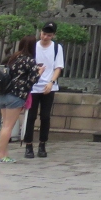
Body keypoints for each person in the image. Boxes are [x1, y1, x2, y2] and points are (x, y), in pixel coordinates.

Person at [0, 35, 42, 164]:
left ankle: (4, 154)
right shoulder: (29, 60)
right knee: (8, 127)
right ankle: (0, 155)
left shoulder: (13, 58)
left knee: (5, 125)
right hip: (16, 95)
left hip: (3, 94)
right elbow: (33, 80)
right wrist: (40, 72)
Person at [24, 22, 65, 159]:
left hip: (49, 86)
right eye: (43, 34)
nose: (45, 37)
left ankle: (42, 144)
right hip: (33, 87)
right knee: (31, 116)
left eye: (49, 35)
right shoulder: (34, 46)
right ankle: (28, 145)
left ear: (53, 35)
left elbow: (58, 67)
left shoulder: (57, 48)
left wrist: (51, 82)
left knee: (45, 116)